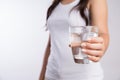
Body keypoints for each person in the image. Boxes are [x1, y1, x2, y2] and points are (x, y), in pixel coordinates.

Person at [40, 0, 109, 80]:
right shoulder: (56, 2)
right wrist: (42, 74)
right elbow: (50, 44)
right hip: (52, 74)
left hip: (83, 75)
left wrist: (101, 46)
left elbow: (102, 33)